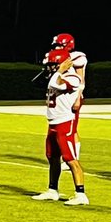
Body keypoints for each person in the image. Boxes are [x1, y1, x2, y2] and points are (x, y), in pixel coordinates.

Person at [31, 48, 89, 206]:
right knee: (52, 158)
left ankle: (81, 193)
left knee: (70, 159)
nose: (50, 68)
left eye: (53, 64)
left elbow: (56, 84)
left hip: (65, 123)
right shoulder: (57, 75)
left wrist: (61, 70)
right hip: (53, 123)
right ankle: (52, 190)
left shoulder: (72, 77)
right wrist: (57, 71)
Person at [51, 33, 88, 128]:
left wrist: (77, 99)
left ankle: (73, 144)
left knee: (71, 128)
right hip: (61, 94)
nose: (57, 48)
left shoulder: (76, 57)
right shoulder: (58, 56)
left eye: (59, 45)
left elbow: (81, 80)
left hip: (72, 95)